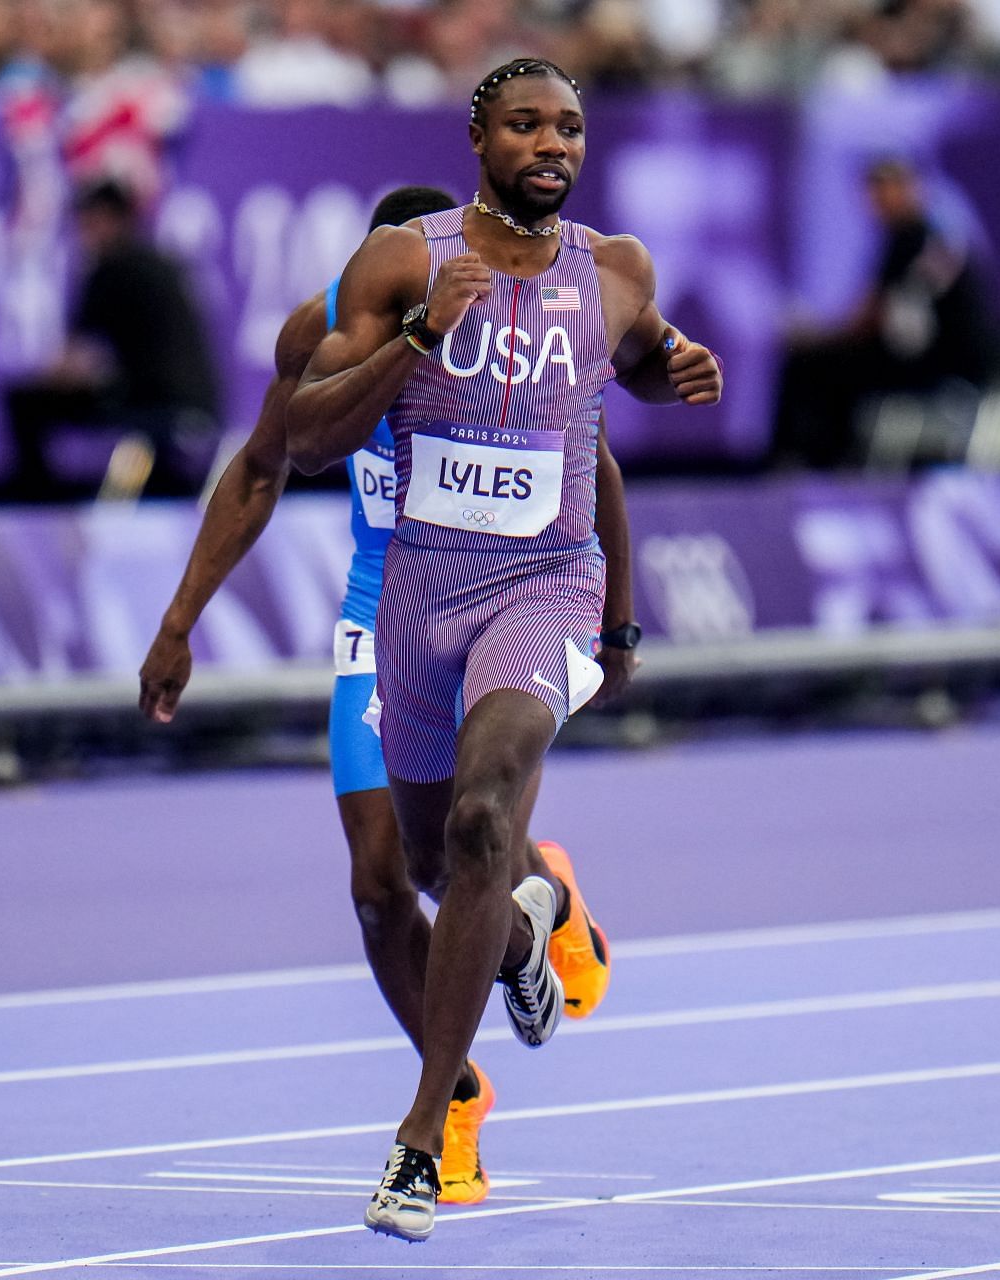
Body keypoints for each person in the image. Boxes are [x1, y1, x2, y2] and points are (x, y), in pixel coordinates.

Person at [285, 57, 721, 1243]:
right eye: (527, 123)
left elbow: (636, 369)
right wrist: (420, 334)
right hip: (418, 602)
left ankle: (424, 1136)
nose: (553, 144)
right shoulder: (401, 265)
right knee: (433, 861)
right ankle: (529, 927)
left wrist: (679, 369)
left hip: (546, 587)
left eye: (571, 127)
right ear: (479, 137)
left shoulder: (616, 268)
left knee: (484, 817)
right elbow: (304, 439)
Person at [138, 183, 638, 1210]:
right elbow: (262, 468)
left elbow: (596, 468)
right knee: (382, 885)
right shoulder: (321, 330)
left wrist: (620, 619)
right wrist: (181, 618)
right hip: (386, 612)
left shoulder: (506, 320)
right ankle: (494, 1000)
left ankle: (434, 1109)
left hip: (509, 596)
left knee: (472, 830)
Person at [767, 156, 993, 470]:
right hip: (926, 357)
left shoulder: (916, 238)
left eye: (885, 189)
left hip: (939, 365)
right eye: (873, 191)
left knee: (808, 364)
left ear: (910, 188)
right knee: (831, 364)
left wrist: (817, 336)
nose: (877, 200)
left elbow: (872, 317)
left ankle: (810, 462)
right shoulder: (917, 236)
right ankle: (825, 458)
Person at [4, 178, 221, 500]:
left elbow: (71, 363)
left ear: (110, 219)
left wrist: (47, 378)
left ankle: (39, 504)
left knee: (23, 403)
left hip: (153, 402)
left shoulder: (110, 269)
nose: (82, 234)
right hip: (200, 403)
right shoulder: (161, 262)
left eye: (87, 223)